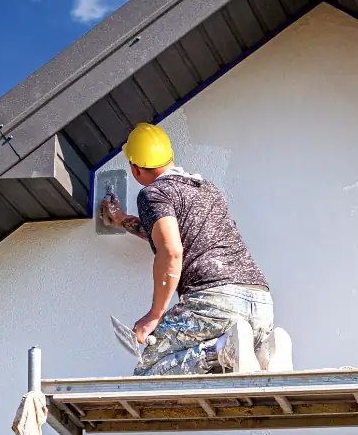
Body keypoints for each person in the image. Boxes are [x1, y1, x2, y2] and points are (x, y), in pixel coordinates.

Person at [99, 122, 290, 376]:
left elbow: (170, 250)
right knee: (229, 368)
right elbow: (164, 233)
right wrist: (122, 220)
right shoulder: (207, 189)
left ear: (135, 169)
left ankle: (223, 349)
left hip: (215, 301)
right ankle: (264, 351)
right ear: (169, 157)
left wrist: (155, 315)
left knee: (150, 371)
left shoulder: (153, 193)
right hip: (261, 302)